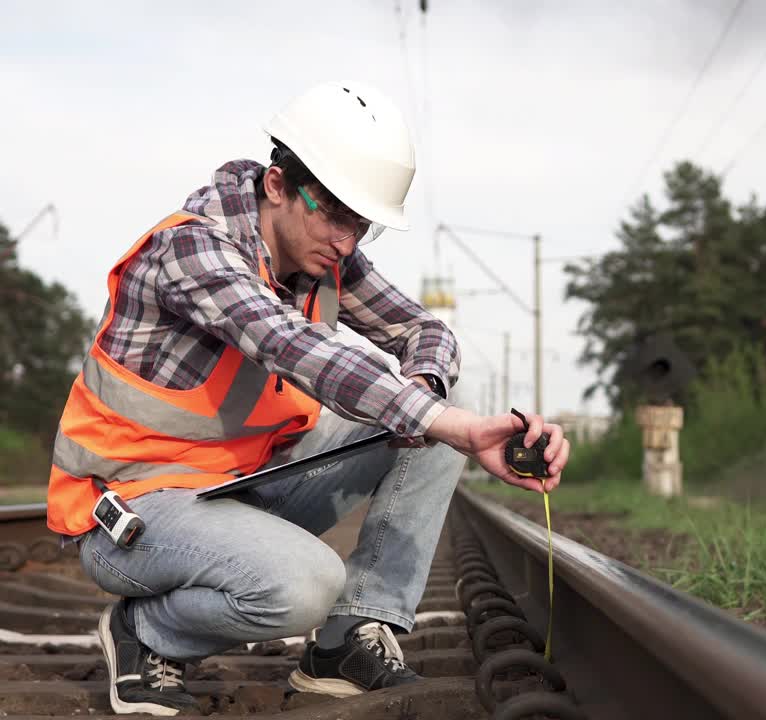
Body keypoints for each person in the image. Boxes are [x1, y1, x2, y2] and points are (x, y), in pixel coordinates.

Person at [44, 81, 569, 716]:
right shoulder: (192, 250)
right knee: (306, 584)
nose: (348, 243)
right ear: (277, 185)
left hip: (243, 486)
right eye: (337, 216)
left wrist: (430, 398)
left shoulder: (323, 255)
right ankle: (144, 632)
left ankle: (346, 644)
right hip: (135, 511)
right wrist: (442, 419)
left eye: (362, 226)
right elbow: (290, 345)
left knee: (429, 430)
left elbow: (424, 331)